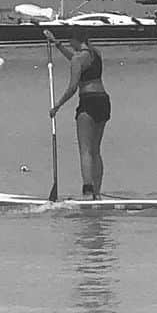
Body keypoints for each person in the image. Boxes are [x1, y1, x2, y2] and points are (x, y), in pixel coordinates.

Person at [45, 26, 110, 198]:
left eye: (69, 41)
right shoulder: (96, 53)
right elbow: (75, 60)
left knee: (85, 150)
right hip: (103, 100)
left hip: (88, 102)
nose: (69, 44)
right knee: (96, 150)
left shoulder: (77, 59)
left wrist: (57, 106)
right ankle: (97, 192)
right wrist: (57, 44)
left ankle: (88, 192)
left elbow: (73, 87)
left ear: (74, 40)